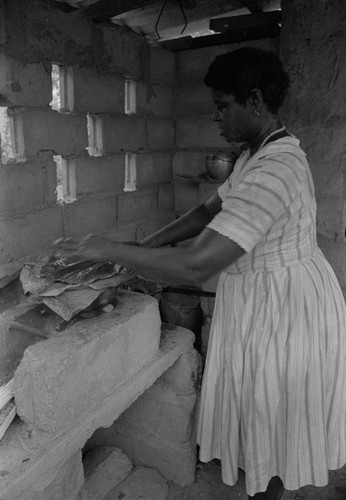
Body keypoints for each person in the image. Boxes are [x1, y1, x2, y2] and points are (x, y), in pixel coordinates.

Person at [54, 47, 346, 499]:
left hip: (285, 307)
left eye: (223, 106)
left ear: (254, 100)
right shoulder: (254, 155)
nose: (217, 118)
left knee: (273, 414)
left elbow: (199, 262)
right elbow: (206, 211)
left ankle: (269, 493)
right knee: (259, 412)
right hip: (264, 297)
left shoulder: (277, 167)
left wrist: (107, 247)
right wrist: (138, 249)